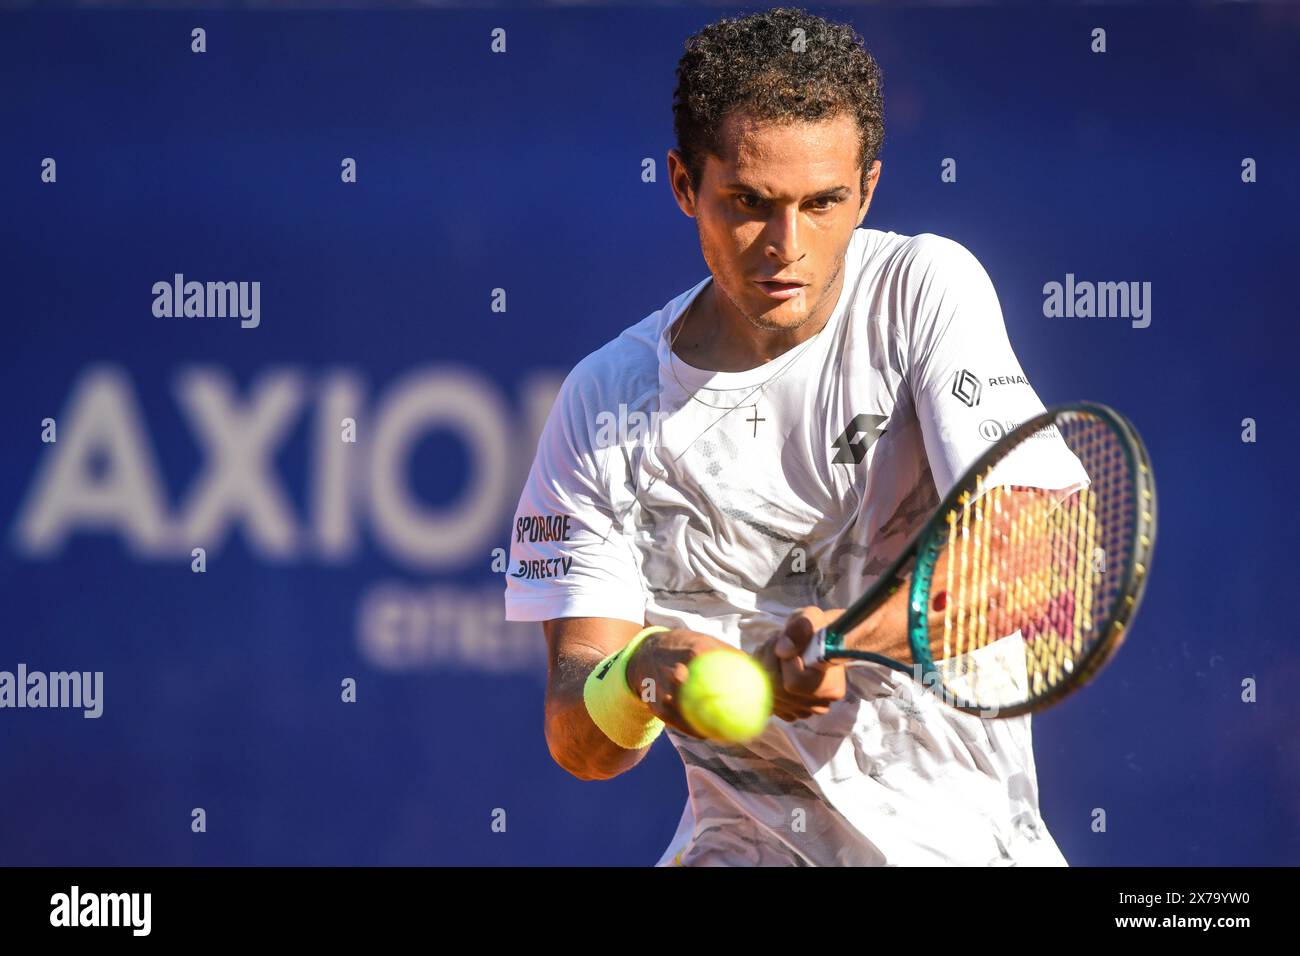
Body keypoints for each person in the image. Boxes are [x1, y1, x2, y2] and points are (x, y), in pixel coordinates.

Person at [504, 7, 1068, 866]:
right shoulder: (603, 401)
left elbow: (1045, 559)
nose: (787, 247)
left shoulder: (924, 293)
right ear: (683, 185)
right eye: (749, 203)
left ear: (867, 190)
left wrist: (844, 634)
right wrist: (645, 671)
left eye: (823, 203)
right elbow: (579, 738)